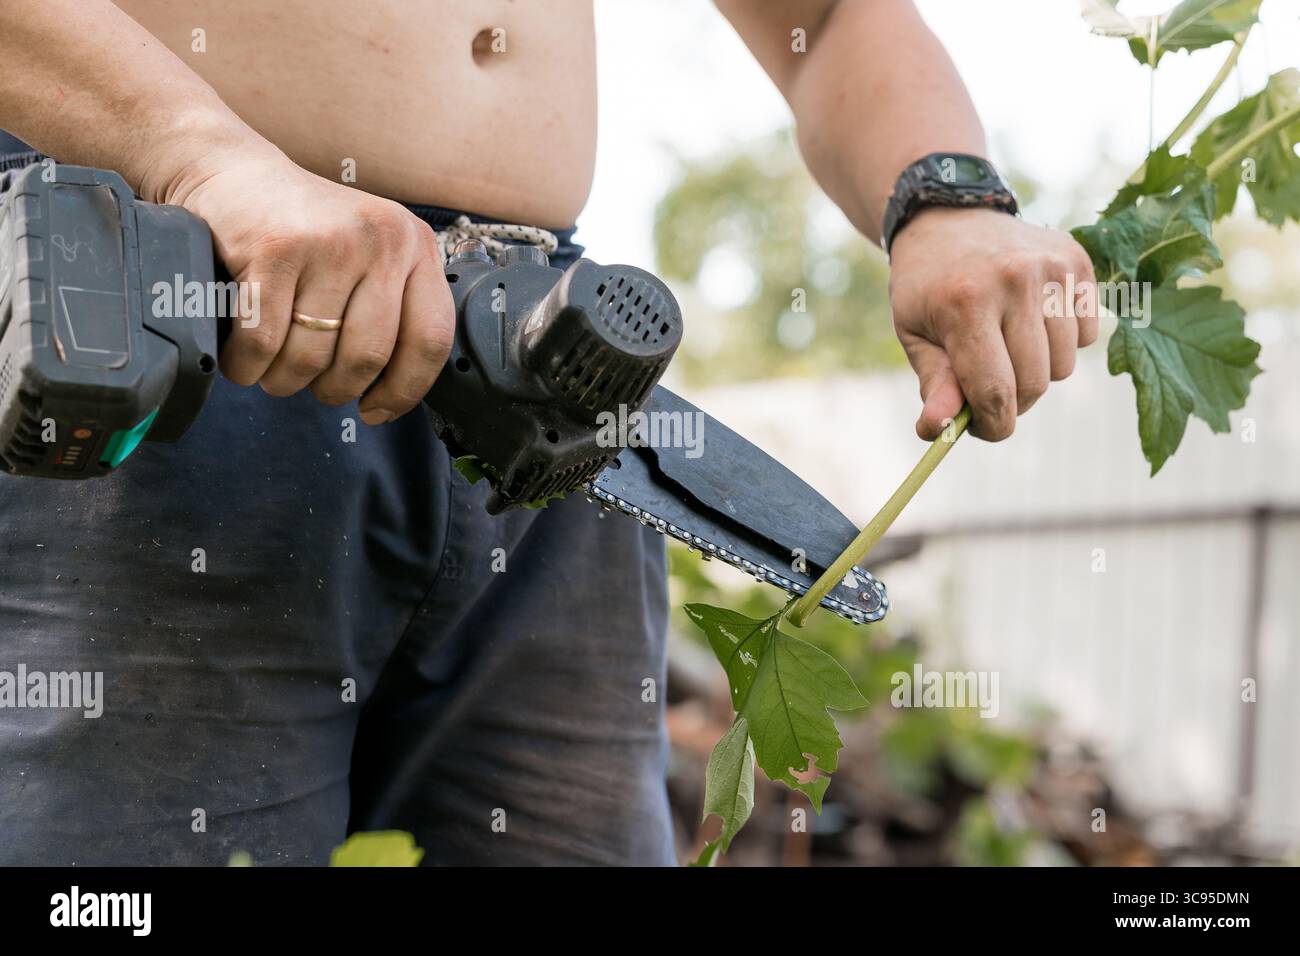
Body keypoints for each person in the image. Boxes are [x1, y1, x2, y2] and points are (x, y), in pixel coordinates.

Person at [0, 0, 1096, 865]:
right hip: (183, 318)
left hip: (546, 393)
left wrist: (944, 197)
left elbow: (830, 20)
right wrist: (206, 164)